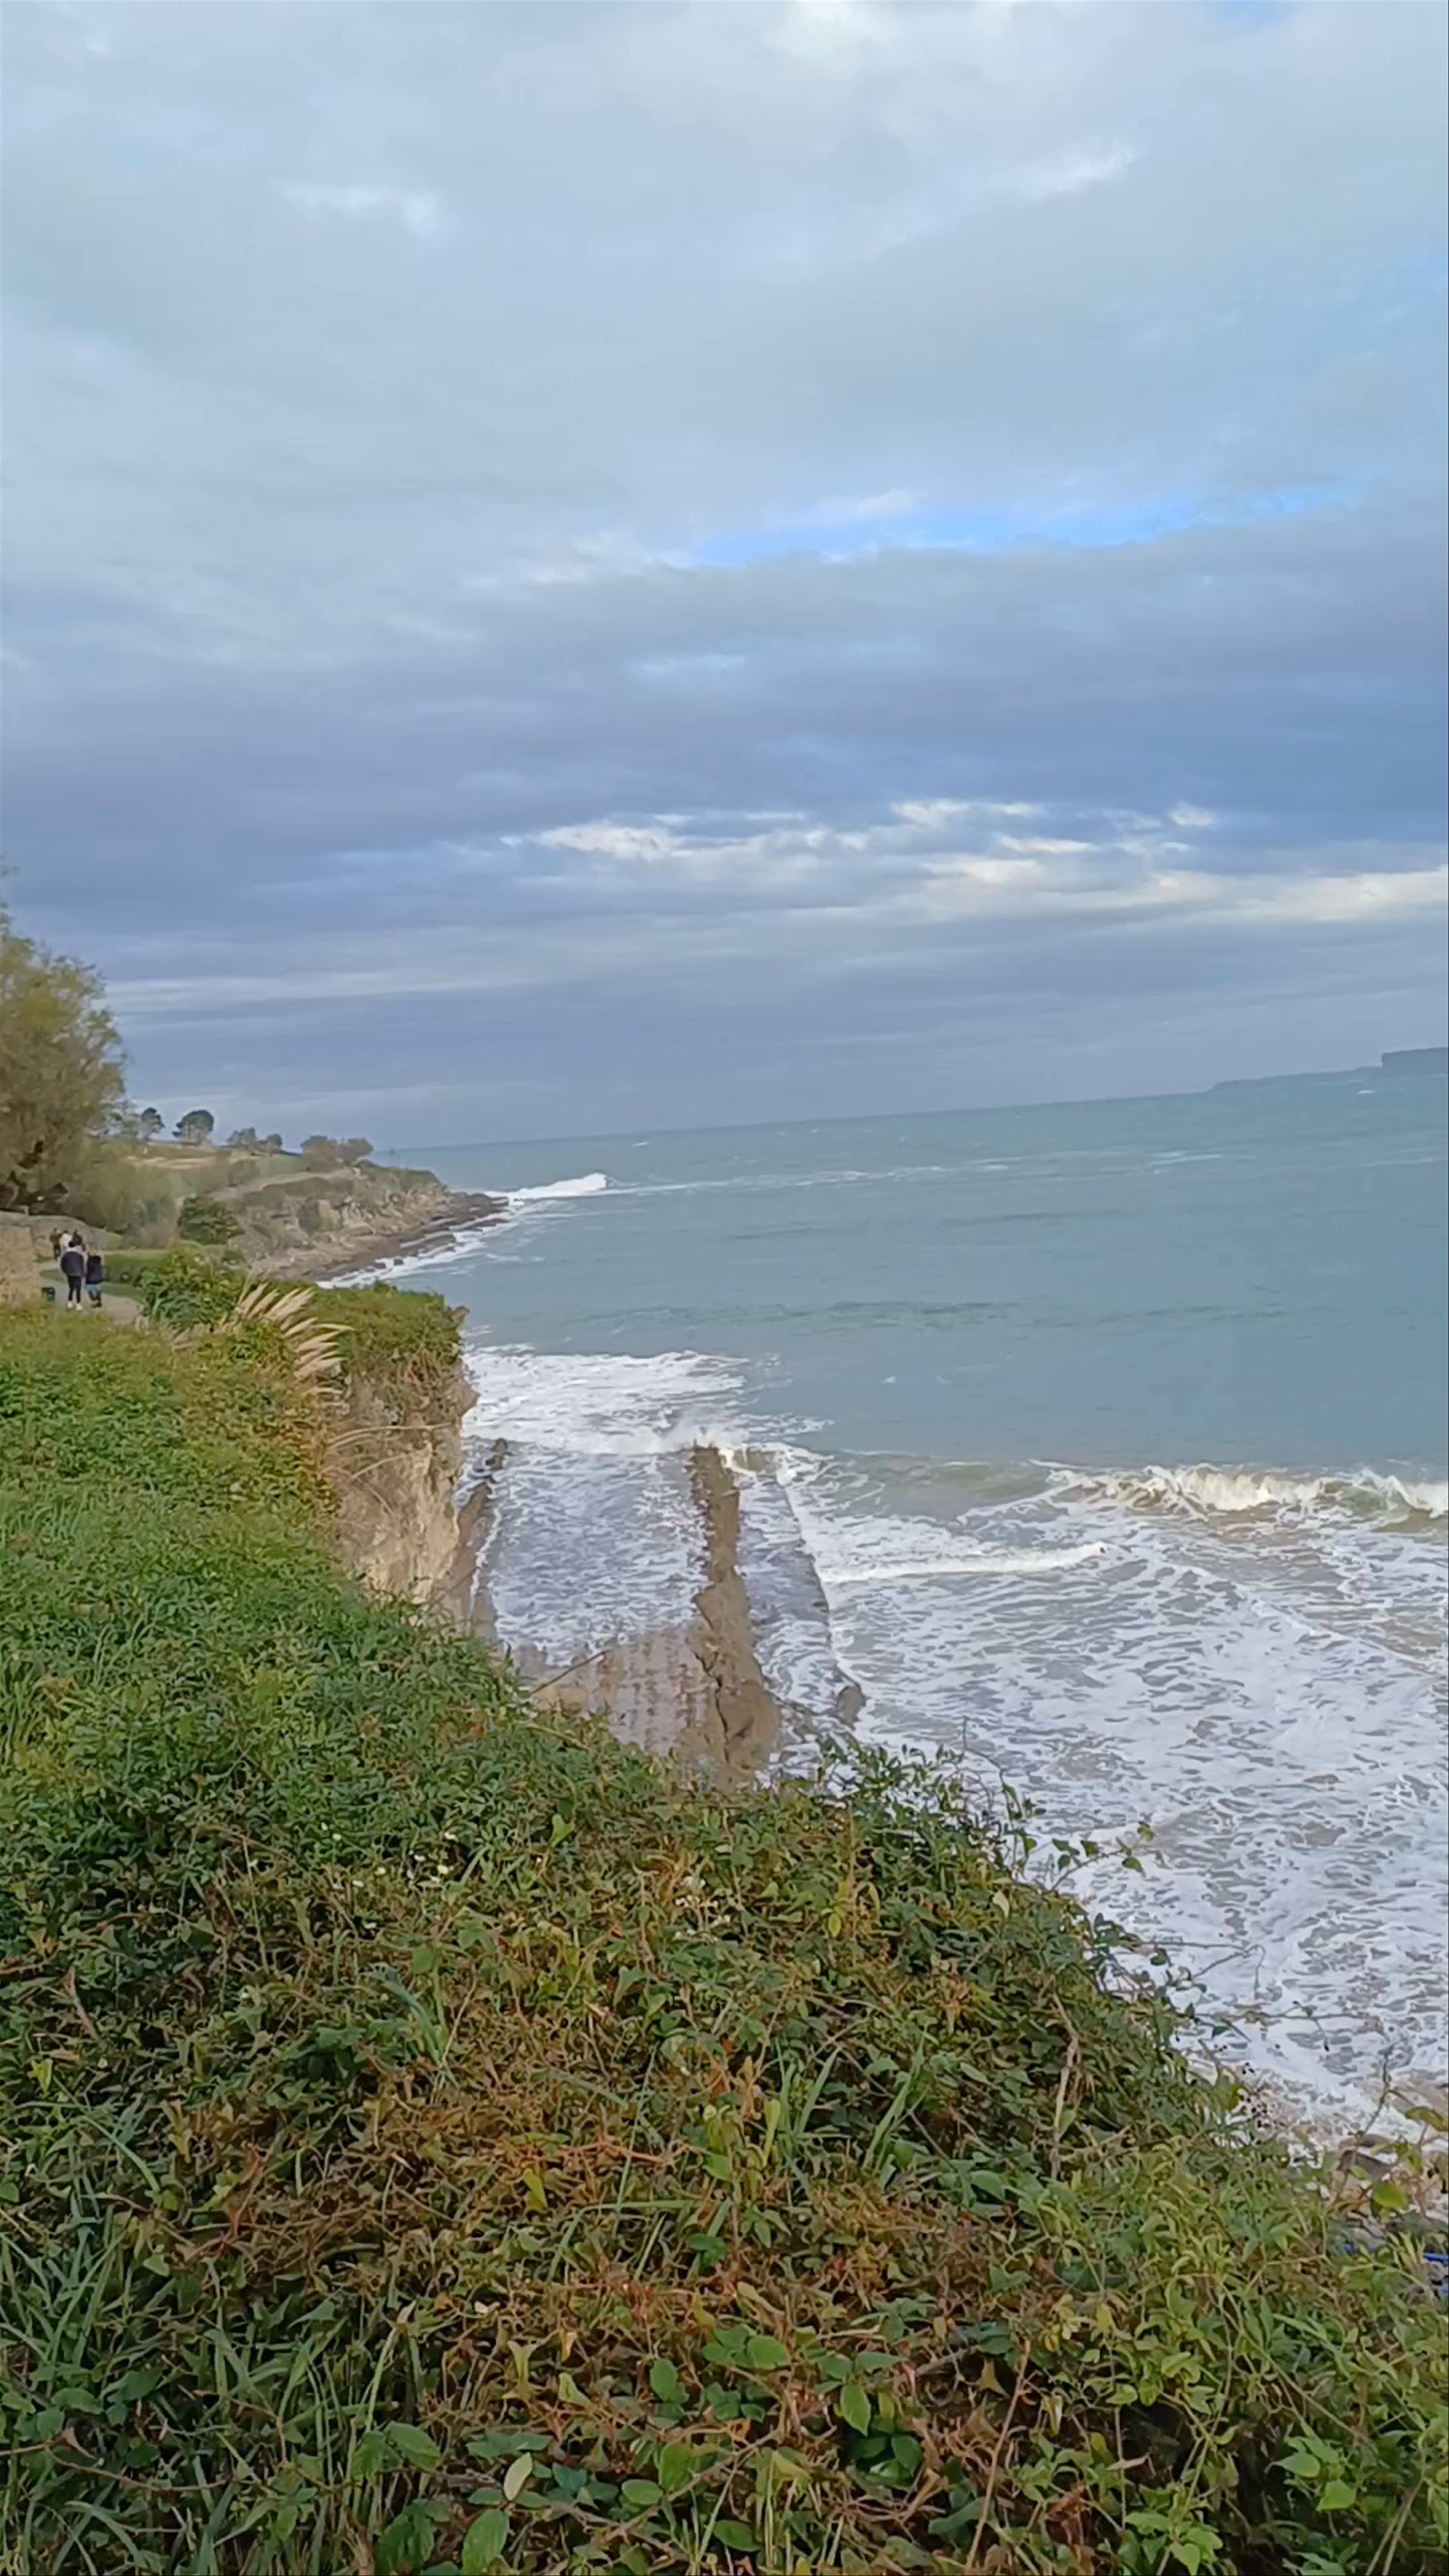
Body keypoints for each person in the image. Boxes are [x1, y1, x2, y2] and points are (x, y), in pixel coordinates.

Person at [58, 1235, 85, 1309]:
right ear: (75, 1247)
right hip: (78, 1274)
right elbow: (82, 1265)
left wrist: (66, 1272)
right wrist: (83, 1275)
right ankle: (79, 1304)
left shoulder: (66, 1256)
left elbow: (62, 1265)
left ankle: (70, 1303)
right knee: (78, 1289)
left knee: (71, 1288)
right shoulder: (79, 1256)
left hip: (70, 1274)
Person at [85, 1243, 105, 1309]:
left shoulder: (94, 1259)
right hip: (98, 1278)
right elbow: (102, 1264)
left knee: (90, 1291)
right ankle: (98, 1302)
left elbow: (90, 1270)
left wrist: (86, 1278)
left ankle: (96, 1302)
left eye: (87, 1249)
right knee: (97, 1291)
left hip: (92, 1279)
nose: (86, 1250)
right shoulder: (97, 1258)